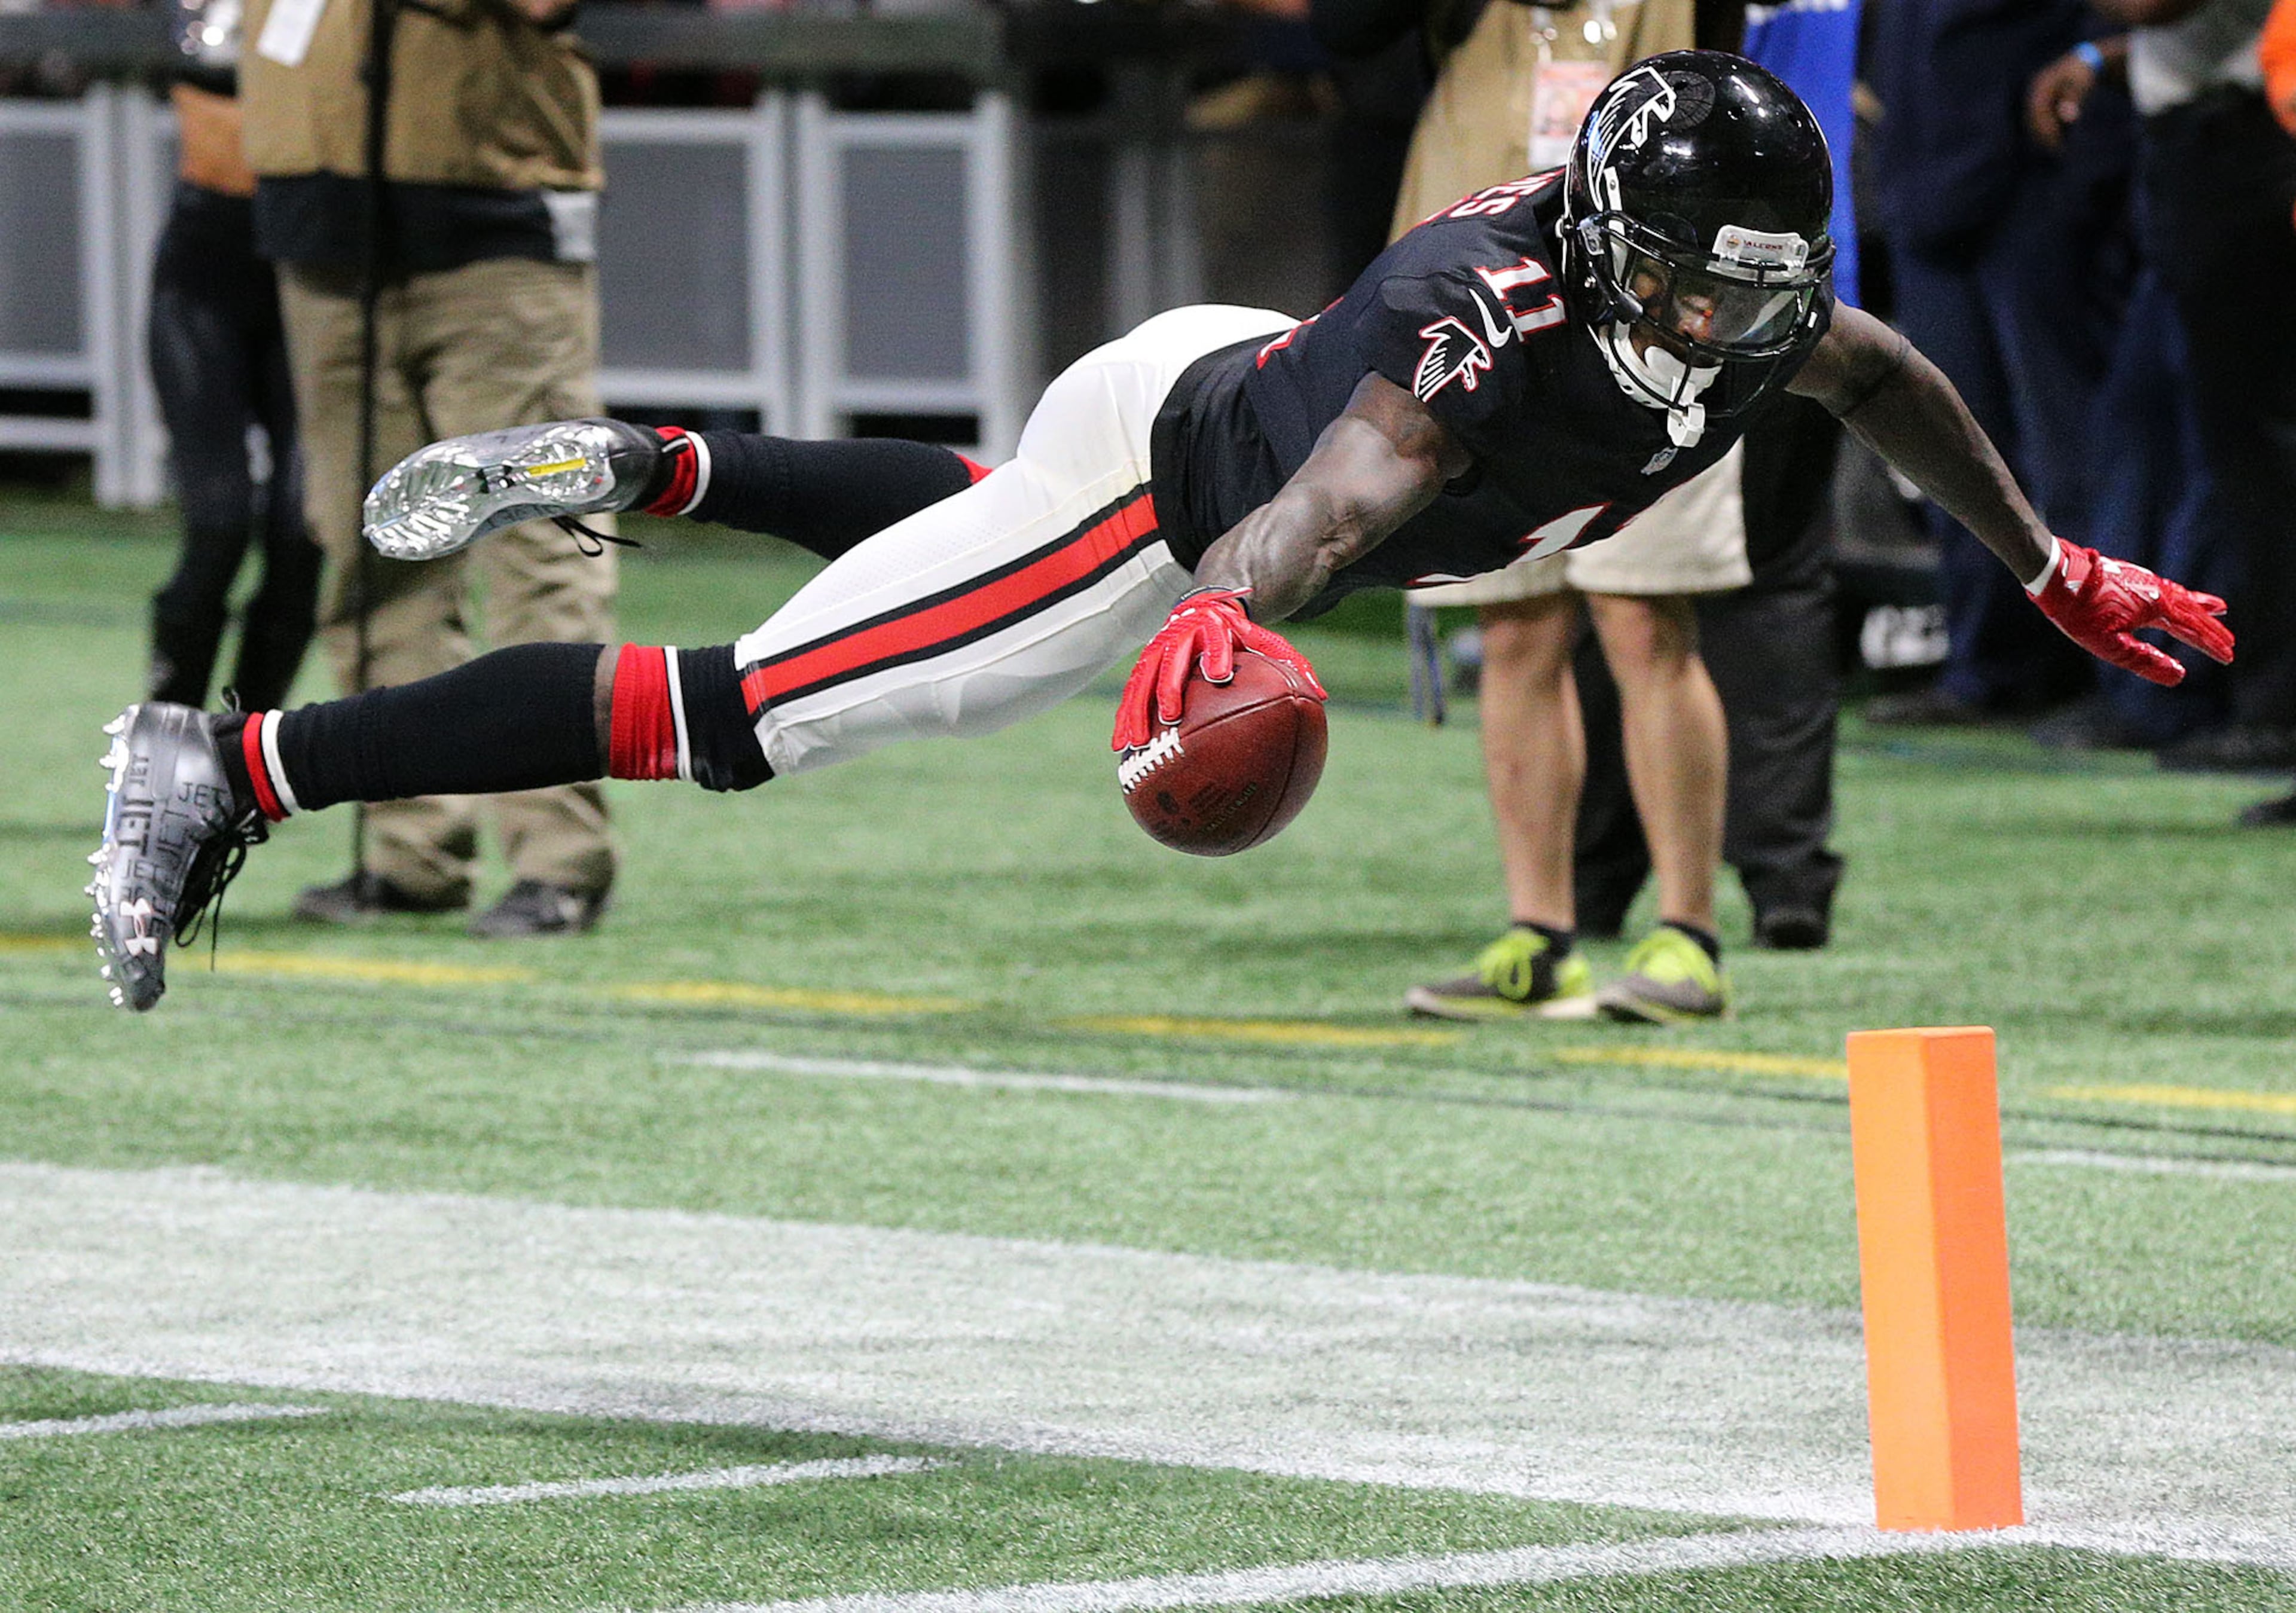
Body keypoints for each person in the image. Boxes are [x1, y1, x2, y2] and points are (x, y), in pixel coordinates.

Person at [87, 54, 2233, 1013]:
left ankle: (657, 467)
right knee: (762, 716)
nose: (1730, 330)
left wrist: (2045, 561)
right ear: (1603, 249)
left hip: (1209, 383)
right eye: (1696, 293)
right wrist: (1228, 640)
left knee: (978, 546)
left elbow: (1869, 366)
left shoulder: (1729, 297)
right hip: (1188, 485)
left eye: (1751, 289)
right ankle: (235, 764)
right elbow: (1322, 509)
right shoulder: (1471, 336)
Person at [237, 0, 622, 935]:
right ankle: (409, 850)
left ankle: (557, 859)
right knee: (369, 555)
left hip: (494, 240)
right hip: (325, 241)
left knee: (537, 547)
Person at [144, 0, 320, 714]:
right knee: (218, 522)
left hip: (313, 282)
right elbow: (197, 56)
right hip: (205, 281)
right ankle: (163, 748)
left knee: (302, 534)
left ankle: (244, 759)